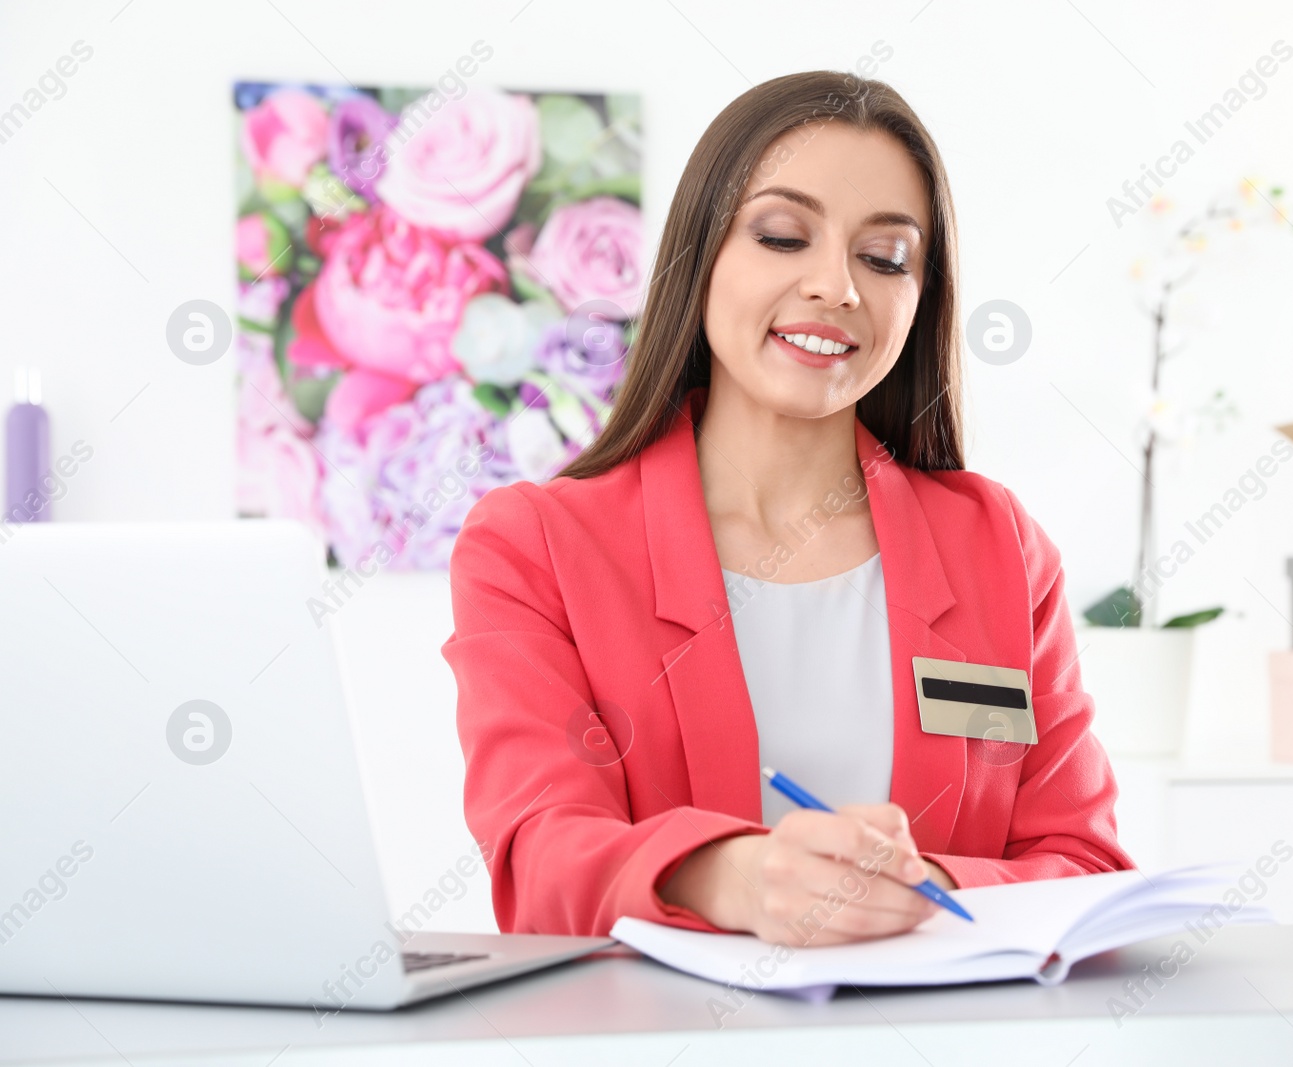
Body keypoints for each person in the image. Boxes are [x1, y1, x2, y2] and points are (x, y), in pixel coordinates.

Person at [442, 70, 1134, 948]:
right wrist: (733, 874)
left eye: (884, 257)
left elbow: (1085, 863)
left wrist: (921, 887)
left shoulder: (996, 544)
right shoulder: (534, 544)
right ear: (702, 257)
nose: (835, 286)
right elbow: (537, 861)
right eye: (781, 236)